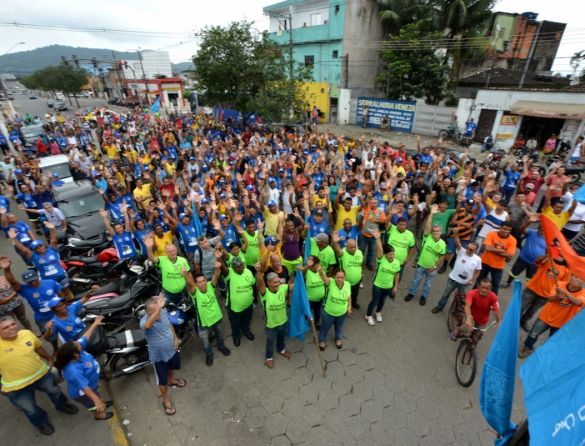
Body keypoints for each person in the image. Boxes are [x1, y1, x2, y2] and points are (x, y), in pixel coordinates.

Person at [0, 315, 79, 435]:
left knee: (55, 391)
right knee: (30, 409)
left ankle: (62, 405)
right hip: (16, 388)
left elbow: (38, 347)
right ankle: (42, 423)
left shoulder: (26, 333)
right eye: (6, 327)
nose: (12, 328)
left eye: (13, 324)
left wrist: (49, 358)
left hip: (41, 375)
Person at [54, 316, 114, 420]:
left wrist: (95, 324)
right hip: (83, 393)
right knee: (93, 404)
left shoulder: (76, 350)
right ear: (75, 355)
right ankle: (99, 415)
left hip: (92, 384)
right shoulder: (74, 371)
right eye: (77, 344)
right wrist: (96, 400)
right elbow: (85, 388)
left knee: (97, 397)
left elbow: (85, 337)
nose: (79, 342)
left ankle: (100, 402)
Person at [519, 274, 585, 358]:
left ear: (583, 282)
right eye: (576, 276)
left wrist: (565, 292)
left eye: (581, 278)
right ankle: (527, 348)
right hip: (546, 317)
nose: (577, 280)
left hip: (562, 322)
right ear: (570, 276)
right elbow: (550, 299)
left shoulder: (583, 292)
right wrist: (557, 297)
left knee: (553, 340)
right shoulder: (559, 284)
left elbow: (578, 302)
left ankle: (544, 355)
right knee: (533, 334)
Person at [140, 294, 186, 416]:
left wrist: (175, 338)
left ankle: (172, 380)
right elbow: (147, 326)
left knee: (172, 368)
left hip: (171, 350)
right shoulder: (144, 322)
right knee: (162, 381)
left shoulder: (163, 312)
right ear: (148, 312)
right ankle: (165, 399)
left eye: (159, 309)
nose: (159, 312)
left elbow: (169, 324)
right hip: (159, 357)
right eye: (155, 310)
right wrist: (159, 308)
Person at [182, 261, 231, 367]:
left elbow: (216, 277)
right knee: (205, 342)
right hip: (203, 323)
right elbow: (190, 284)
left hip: (217, 318)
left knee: (220, 335)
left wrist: (218, 267)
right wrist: (186, 275)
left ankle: (221, 346)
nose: (202, 283)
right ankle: (209, 354)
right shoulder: (194, 292)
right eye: (199, 282)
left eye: (203, 280)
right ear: (196, 284)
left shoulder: (210, 286)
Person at [9, 222, 73, 300]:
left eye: (40, 246)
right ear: (34, 250)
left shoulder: (52, 250)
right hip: (47, 280)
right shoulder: (34, 256)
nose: (40, 248)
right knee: (56, 295)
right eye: (37, 248)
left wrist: (52, 229)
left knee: (66, 291)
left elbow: (53, 240)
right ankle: (63, 307)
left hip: (61, 276)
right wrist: (14, 239)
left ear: (44, 245)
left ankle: (71, 304)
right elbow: (24, 250)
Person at [404, 206, 446, 305]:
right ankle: (411, 293)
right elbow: (428, 225)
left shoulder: (442, 244)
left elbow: (442, 257)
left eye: (438, 231)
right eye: (434, 231)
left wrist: (435, 267)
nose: (436, 233)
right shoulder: (427, 237)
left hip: (432, 268)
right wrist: (432, 213)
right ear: (432, 232)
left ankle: (424, 297)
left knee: (428, 284)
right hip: (421, 264)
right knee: (416, 281)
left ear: (441, 232)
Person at [432, 231, 481, 314]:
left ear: (476, 250)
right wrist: (456, 234)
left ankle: (457, 312)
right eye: (468, 248)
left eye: (471, 249)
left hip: (464, 283)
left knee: (460, 299)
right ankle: (439, 306)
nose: (468, 250)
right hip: (453, 279)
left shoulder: (478, 259)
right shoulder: (461, 251)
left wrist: (472, 280)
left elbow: (477, 271)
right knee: (445, 294)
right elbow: (458, 243)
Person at [519, 256, 570, 332]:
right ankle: (513, 321)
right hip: (532, 289)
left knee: (532, 311)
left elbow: (563, 285)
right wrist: (548, 254)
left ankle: (523, 321)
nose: (560, 256)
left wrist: (558, 293)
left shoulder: (566, 271)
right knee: (521, 306)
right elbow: (537, 261)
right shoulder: (548, 259)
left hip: (545, 296)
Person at [256, 268, 292, 369]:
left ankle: (281, 349)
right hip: (271, 325)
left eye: (278, 281)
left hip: (283, 321)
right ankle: (269, 358)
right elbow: (260, 282)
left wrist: (301, 272)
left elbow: (294, 286)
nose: (278, 284)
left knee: (281, 337)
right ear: (268, 283)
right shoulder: (264, 293)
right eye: (275, 282)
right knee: (270, 341)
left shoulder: (283, 288)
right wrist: (259, 271)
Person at [365, 230, 400, 325]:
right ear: (385, 254)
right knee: (374, 301)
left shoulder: (396, 262)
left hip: (388, 286)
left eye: (393, 254)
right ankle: (368, 315)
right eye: (389, 254)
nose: (391, 256)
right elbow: (380, 248)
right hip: (378, 285)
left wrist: (395, 286)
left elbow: (397, 274)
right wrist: (377, 238)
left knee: (382, 301)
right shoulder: (381, 259)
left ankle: (378, 312)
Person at [144, 233, 190, 304]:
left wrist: (186, 276)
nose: (172, 253)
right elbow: (152, 258)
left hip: (183, 292)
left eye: (174, 251)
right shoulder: (162, 260)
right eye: (170, 252)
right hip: (168, 293)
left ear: (176, 250)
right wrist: (149, 248)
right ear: (166, 253)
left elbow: (189, 275)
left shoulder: (183, 260)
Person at [501, 216, 545, 288]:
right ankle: (508, 282)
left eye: (544, 230)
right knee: (514, 272)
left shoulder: (548, 240)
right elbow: (521, 229)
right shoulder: (532, 232)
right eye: (541, 228)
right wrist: (529, 222)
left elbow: (547, 252)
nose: (542, 230)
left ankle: (528, 289)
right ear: (538, 227)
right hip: (523, 258)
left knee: (530, 277)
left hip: (535, 263)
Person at [222, 257, 256, 347]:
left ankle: (246, 331)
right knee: (235, 323)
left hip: (248, 305)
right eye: (237, 267)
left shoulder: (248, 271)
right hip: (235, 308)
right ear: (232, 268)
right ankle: (236, 336)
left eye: (241, 265)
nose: (240, 267)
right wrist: (219, 259)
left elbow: (253, 285)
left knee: (247, 320)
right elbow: (223, 269)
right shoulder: (229, 273)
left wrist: (255, 299)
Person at [476, 221, 516, 294]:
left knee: (495, 285)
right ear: (500, 227)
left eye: (509, 230)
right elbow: (487, 248)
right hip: (485, 262)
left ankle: (492, 303)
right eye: (504, 229)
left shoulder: (513, 240)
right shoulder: (491, 234)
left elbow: (510, 255)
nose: (506, 231)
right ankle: (474, 296)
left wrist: (492, 249)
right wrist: (502, 250)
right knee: (479, 282)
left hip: (498, 266)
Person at [318, 269, 352, 350]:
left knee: (339, 327)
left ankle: (338, 338)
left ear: (345, 278)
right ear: (334, 277)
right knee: (325, 327)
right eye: (338, 277)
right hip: (328, 313)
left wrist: (349, 307)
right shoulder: (330, 282)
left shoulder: (347, 284)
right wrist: (321, 272)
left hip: (342, 313)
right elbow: (324, 278)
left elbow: (349, 296)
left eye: (342, 277)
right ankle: (322, 340)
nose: (340, 279)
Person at [331, 232, 363, 309]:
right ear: (346, 246)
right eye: (351, 247)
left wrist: (361, 273)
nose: (353, 249)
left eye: (354, 247)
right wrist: (335, 243)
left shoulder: (359, 252)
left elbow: (361, 264)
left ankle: (354, 302)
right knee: (345, 294)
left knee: (355, 293)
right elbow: (337, 250)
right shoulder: (342, 253)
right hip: (345, 281)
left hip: (357, 281)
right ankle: (345, 306)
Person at [299, 256, 327, 328]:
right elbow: (300, 271)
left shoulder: (320, 271)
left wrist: (322, 273)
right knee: (307, 312)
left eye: (318, 264)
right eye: (316, 265)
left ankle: (316, 323)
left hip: (320, 299)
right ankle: (305, 322)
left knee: (317, 312)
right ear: (311, 266)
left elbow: (326, 281)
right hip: (309, 299)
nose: (318, 266)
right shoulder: (307, 272)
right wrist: (307, 266)